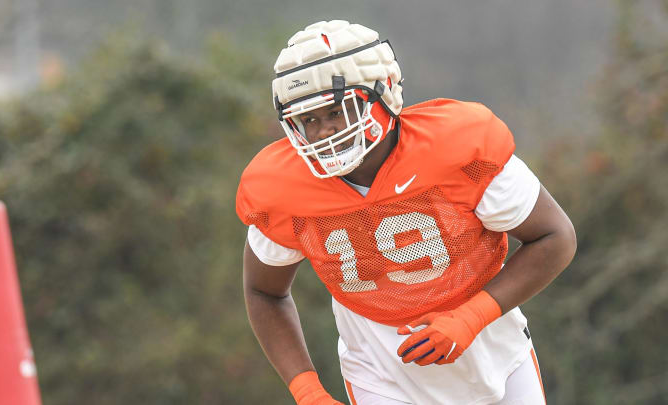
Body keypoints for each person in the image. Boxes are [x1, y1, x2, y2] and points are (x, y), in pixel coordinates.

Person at [236, 20, 576, 405]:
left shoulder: (455, 147)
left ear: (383, 93)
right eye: (308, 120)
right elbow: (264, 291)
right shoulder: (283, 188)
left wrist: (472, 315)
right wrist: (307, 390)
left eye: (335, 111)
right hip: (384, 381)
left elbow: (555, 236)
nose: (321, 133)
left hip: (499, 357)